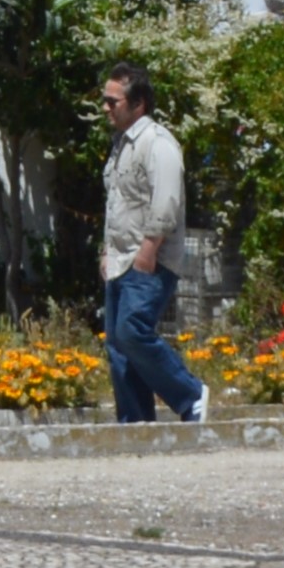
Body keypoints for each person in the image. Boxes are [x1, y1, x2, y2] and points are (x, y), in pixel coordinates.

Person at [97, 63, 204, 426]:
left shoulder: (157, 143)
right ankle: (136, 421)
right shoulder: (121, 146)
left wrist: (148, 249)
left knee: (132, 331)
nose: (106, 108)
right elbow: (117, 203)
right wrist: (106, 251)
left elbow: (166, 200)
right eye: (105, 101)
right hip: (120, 258)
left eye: (113, 101)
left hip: (148, 259)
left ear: (138, 103)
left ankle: (191, 395)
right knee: (118, 345)